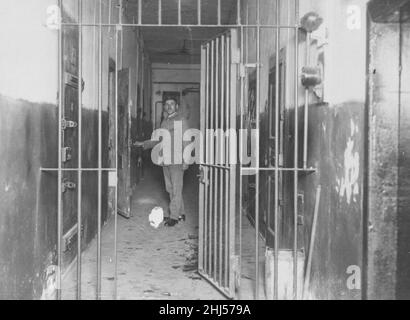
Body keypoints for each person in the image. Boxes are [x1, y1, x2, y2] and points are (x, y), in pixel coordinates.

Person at [134, 98, 189, 227]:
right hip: (166, 160)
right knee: (170, 188)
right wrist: (144, 144)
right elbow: (158, 139)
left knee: (176, 189)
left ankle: (174, 216)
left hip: (177, 160)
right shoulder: (165, 121)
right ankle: (181, 213)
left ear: (177, 106)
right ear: (164, 107)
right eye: (167, 104)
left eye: (172, 104)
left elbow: (186, 140)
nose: (169, 106)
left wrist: (186, 160)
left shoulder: (181, 120)